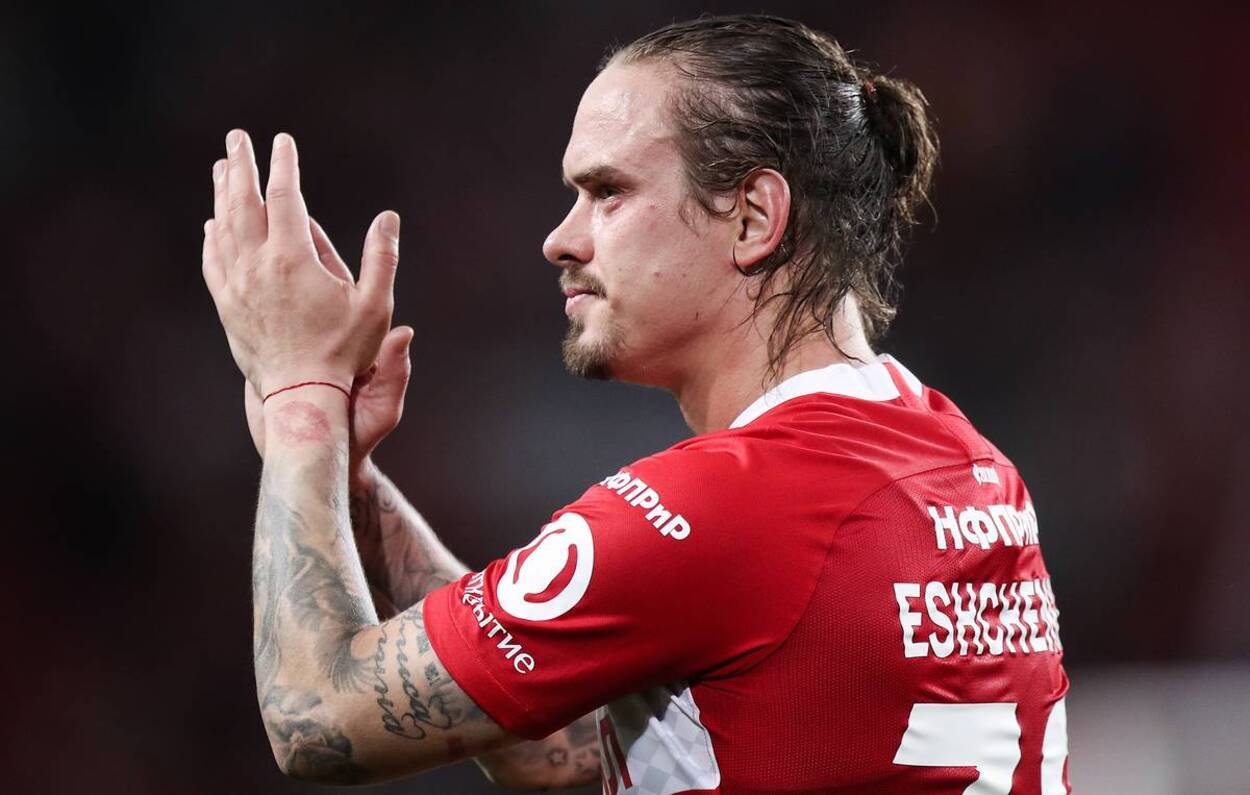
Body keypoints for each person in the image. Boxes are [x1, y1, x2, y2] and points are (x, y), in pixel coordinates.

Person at [203, 14, 1069, 794]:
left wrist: (299, 395)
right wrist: (350, 482)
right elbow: (564, 749)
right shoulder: (970, 469)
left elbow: (316, 717)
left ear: (753, 217)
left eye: (607, 192)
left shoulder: (721, 508)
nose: (561, 238)